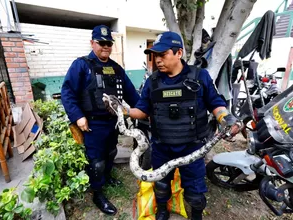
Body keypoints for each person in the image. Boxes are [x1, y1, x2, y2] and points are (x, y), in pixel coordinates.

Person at [103, 31, 241, 220]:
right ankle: (162, 211)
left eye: (162, 54)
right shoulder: (152, 82)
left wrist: (226, 119)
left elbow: (216, 104)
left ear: (179, 53)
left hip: (192, 148)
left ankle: (196, 216)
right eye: (155, 56)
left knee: (195, 193)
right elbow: (142, 111)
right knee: (161, 186)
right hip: (162, 147)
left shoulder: (200, 76)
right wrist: (123, 110)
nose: (157, 60)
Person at [61, 25, 140, 216]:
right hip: (92, 123)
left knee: (111, 151)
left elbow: (130, 93)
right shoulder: (81, 65)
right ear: (92, 43)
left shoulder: (115, 68)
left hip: (112, 121)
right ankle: (97, 193)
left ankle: (106, 176)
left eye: (108, 44)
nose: (105, 47)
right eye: (101, 43)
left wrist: (143, 109)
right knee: (96, 160)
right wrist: (78, 116)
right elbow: (67, 92)